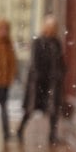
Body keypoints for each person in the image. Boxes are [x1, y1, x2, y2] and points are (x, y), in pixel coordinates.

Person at [18, 15, 66, 144]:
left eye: (53, 27)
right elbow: (35, 62)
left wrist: (60, 73)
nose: (51, 29)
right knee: (30, 109)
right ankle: (20, 130)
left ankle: (52, 135)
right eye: (49, 26)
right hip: (38, 82)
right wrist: (37, 76)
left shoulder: (57, 42)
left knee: (53, 110)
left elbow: (60, 61)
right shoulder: (38, 42)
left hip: (52, 82)